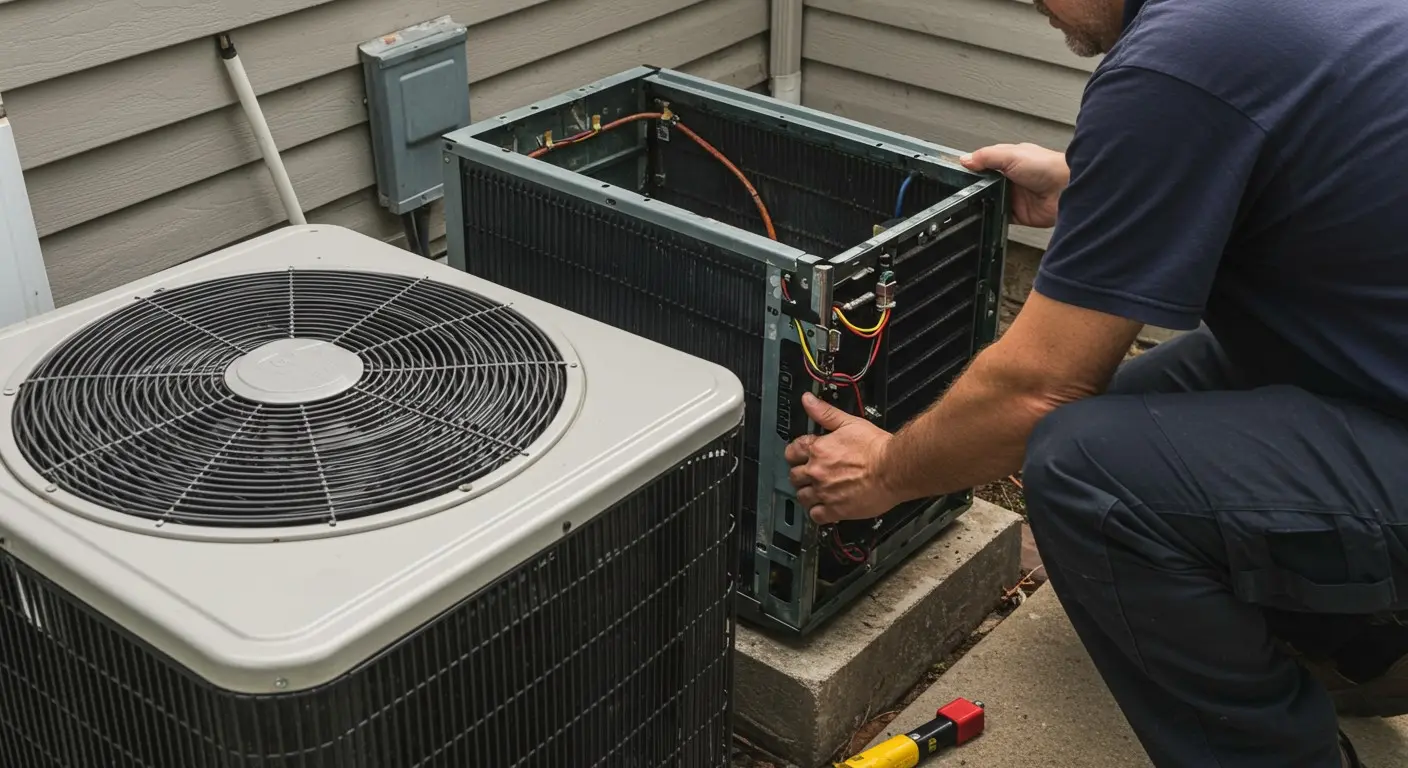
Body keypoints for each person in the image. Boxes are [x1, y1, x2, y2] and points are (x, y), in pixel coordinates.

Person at [783, 0, 1408, 765]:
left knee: (1092, 475)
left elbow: (1035, 393)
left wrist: (885, 471)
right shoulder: (1242, 26)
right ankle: (1359, 642)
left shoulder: (1176, 61)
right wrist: (1093, 188)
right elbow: (1290, 157)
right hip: (1374, 369)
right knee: (1141, 414)